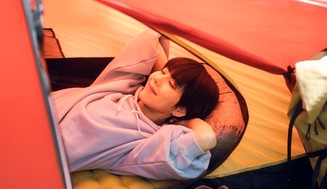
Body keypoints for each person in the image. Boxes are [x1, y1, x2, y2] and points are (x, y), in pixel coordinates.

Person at [51, 29, 219, 180]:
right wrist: (171, 77)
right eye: (162, 72)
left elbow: (205, 138)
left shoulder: (144, 141)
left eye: (172, 84)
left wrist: (183, 119)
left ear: (180, 109)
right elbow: (151, 36)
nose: (157, 78)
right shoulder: (124, 86)